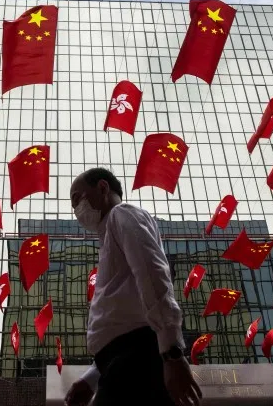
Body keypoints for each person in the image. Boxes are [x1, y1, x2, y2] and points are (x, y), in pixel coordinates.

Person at [64, 167, 202, 406]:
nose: (76, 210)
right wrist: (92, 377)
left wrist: (172, 354)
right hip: (121, 363)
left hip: (137, 362)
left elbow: (152, 273)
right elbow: (123, 319)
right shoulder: (108, 237)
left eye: (78, 199)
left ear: (103, 188)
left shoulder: (122, 214)